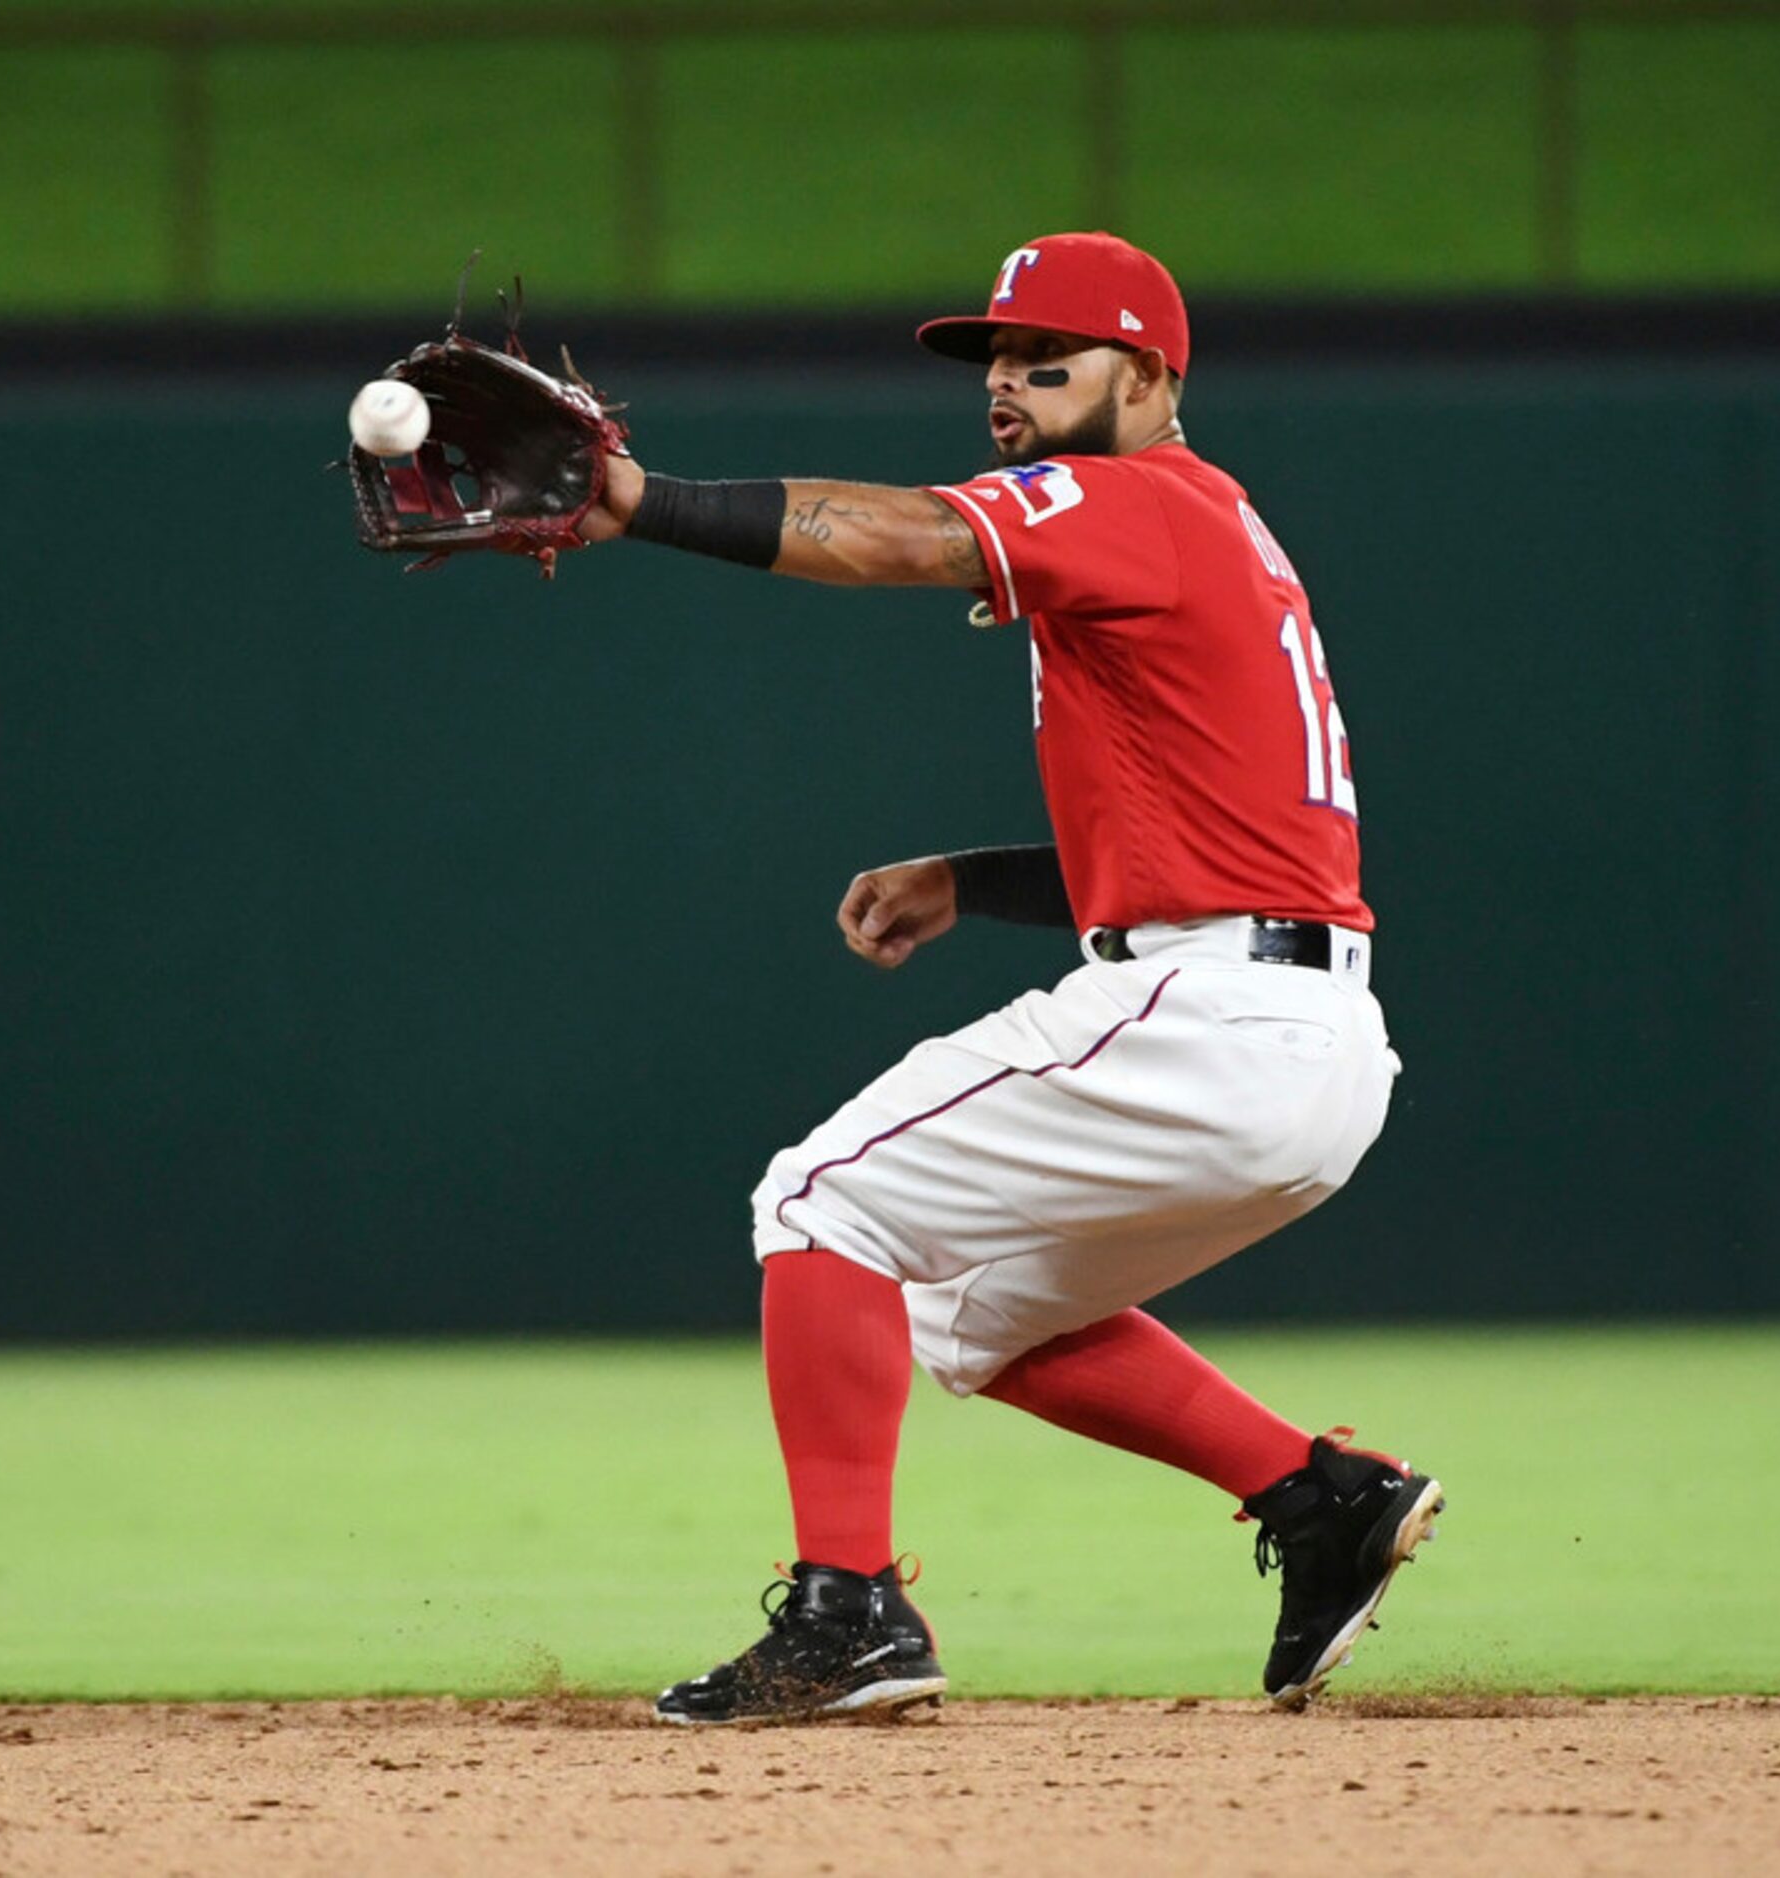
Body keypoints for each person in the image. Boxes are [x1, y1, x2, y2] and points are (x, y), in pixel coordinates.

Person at [578, 233, 1443, 1723]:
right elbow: (1200, 842)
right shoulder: (1209, 528)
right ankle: (1315, 1497)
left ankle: (847, 1614)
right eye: (994, 359)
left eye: (1050, 356)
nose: (1007, 383)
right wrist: (973, 881)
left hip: (1211, 1016)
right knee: (973, 1319)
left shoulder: (1136, 496)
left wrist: (642, 502)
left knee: (817, 1199)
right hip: (1306, 1035)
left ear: (1152, 376)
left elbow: (903, 538)